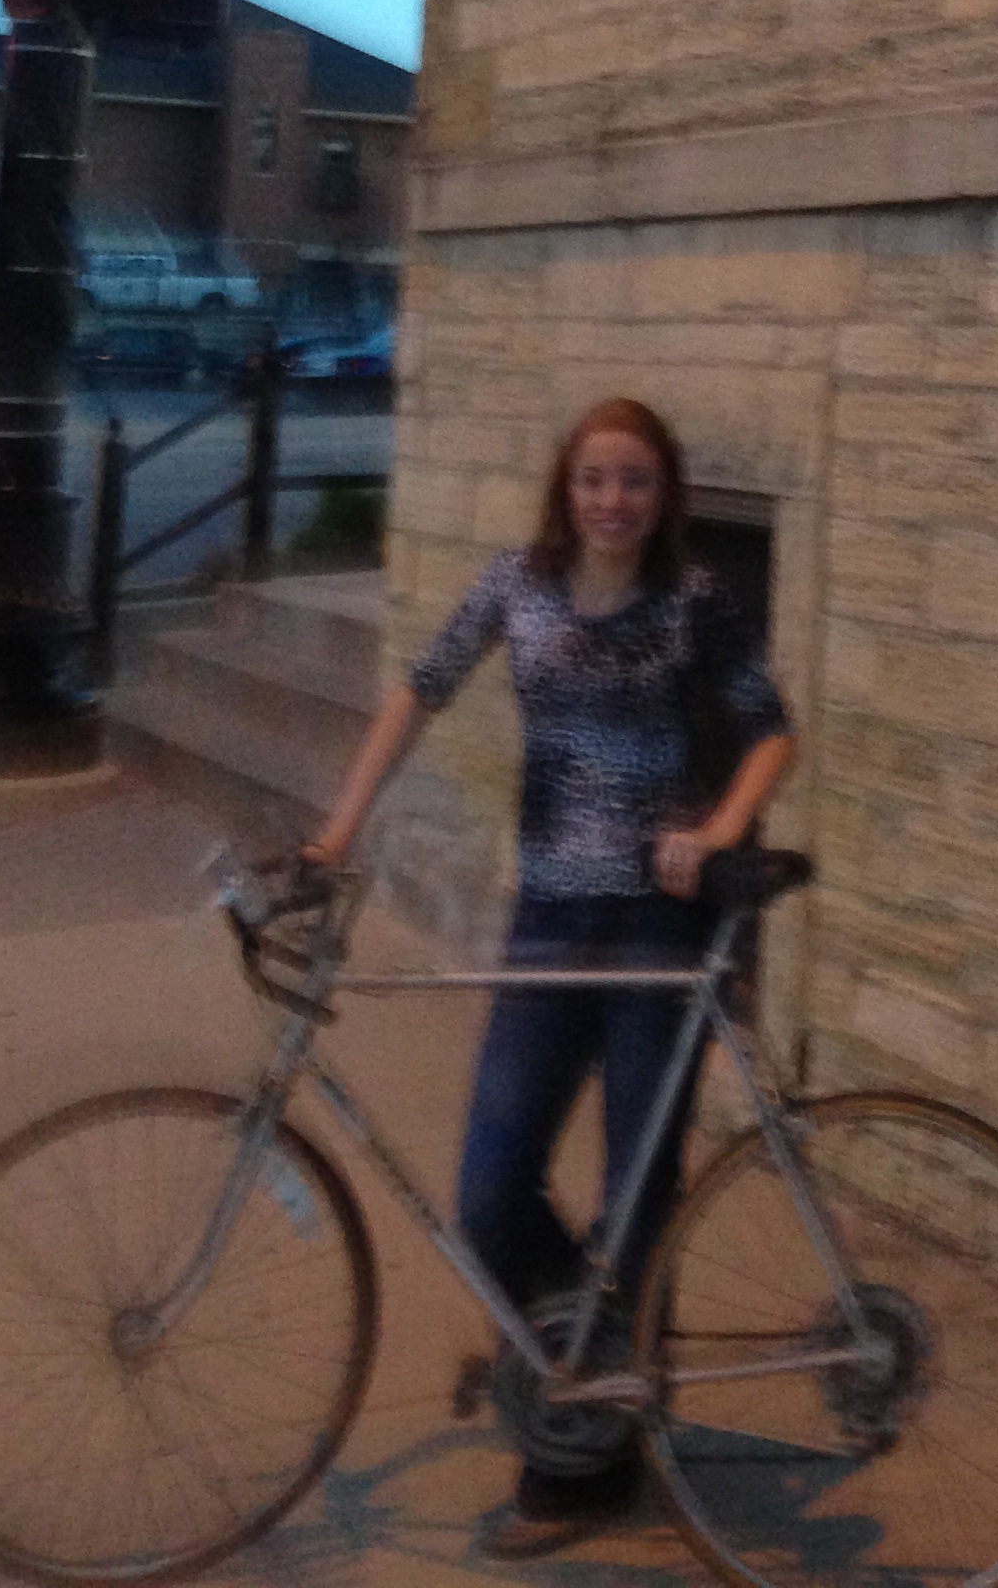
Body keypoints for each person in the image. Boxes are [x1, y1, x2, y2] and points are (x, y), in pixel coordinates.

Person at [302, 395, 794, 1557]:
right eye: (593, 479)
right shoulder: (515, 587)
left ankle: (588, 1457)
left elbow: (772, 730)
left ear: (663, 495)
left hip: (659, 926)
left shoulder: (695, 600)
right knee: (489, 1190)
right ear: (564, 490)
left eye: (635, 480)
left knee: (640, 1195)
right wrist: (339, 829)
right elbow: (421, 688)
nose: (613, 500)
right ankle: (594, 1358)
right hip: (552, 922)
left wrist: (720, 827)